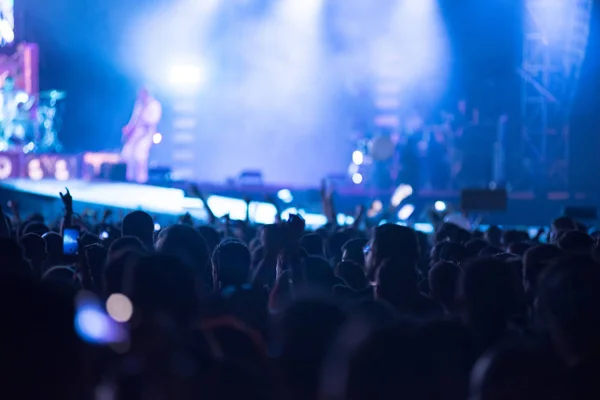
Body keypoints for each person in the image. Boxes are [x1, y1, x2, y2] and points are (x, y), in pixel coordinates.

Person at [121, 86, 162, 183]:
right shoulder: (139, 104)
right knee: (128, 154)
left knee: (139, 155)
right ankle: (130, 178)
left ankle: (141, 180)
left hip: (146, 134)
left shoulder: (154, 105)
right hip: (135, 133)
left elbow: (154, 120)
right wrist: (129, 128)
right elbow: (134, 118)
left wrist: (143, 120)